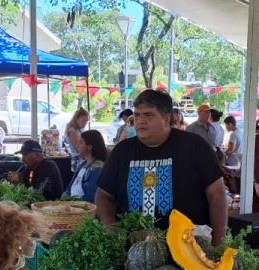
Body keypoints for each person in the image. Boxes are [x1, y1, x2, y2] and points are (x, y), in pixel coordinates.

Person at [97, 89, 228, 246]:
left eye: (148, 115)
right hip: (132, 249)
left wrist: (218, 246)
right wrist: (111, 230)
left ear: (166, 119)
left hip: (189, 247)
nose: (140, 121)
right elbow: (103, 195)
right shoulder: (122, 151)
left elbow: (217, 196)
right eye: (137, 115)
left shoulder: (195, 146)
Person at [66, 130, 107, 202]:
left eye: (81, 143)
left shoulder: (97, 168)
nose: (77, 145)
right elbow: (69, 189)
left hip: (82, 206)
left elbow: (91, 196)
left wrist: (71, 202)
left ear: (89, 147)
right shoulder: (82, 165)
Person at [62, 108, 90, 178]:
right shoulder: (72, 131)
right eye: (83, 120)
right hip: (78, 160)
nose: (85, 123)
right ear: (77, 119)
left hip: (81, 158)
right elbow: (78, 148)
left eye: (86, 121)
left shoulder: (80, 129)